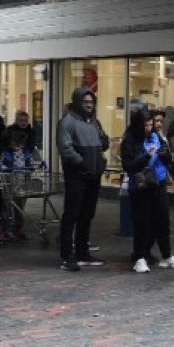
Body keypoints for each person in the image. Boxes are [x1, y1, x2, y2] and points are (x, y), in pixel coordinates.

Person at [120, 107, 174, 274]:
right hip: (141, 187)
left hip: (159, 184)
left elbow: (169, 158)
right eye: (145, 125)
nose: (149, 128)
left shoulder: (156, 136)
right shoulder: (130, 140)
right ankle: (139, 257)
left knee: (163, 222)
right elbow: (128, 166)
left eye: (150, 125)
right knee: (142, 223)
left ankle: (167, 256)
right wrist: (146, 156)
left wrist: (164, 155)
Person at [57, 87, 110, 272]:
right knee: (71, 215)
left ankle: (82, 252)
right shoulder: (67, 122)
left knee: (87, 215)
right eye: (85, 102)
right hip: (76, 176)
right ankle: (67, 255)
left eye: (91, 102)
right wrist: (82, 163)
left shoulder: (94, 122)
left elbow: (103, 144)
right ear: (77, 102)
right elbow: (65, 149)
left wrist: (103, 138)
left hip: (93, 176)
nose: (89, 105)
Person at [0, 125, 42, 240]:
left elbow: (31, 163)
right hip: (8, 184)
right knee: (7, 208)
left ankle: (18, 228)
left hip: (22, 184)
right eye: (15, 144)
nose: (17, 147)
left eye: (19, 145)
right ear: (10, 143)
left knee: (19, 208)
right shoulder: (6, 153)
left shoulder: (26, 153)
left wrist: (33, 167)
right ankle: (6, 229)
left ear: (24, 144)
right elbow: (1, 164)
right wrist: (4, 168)